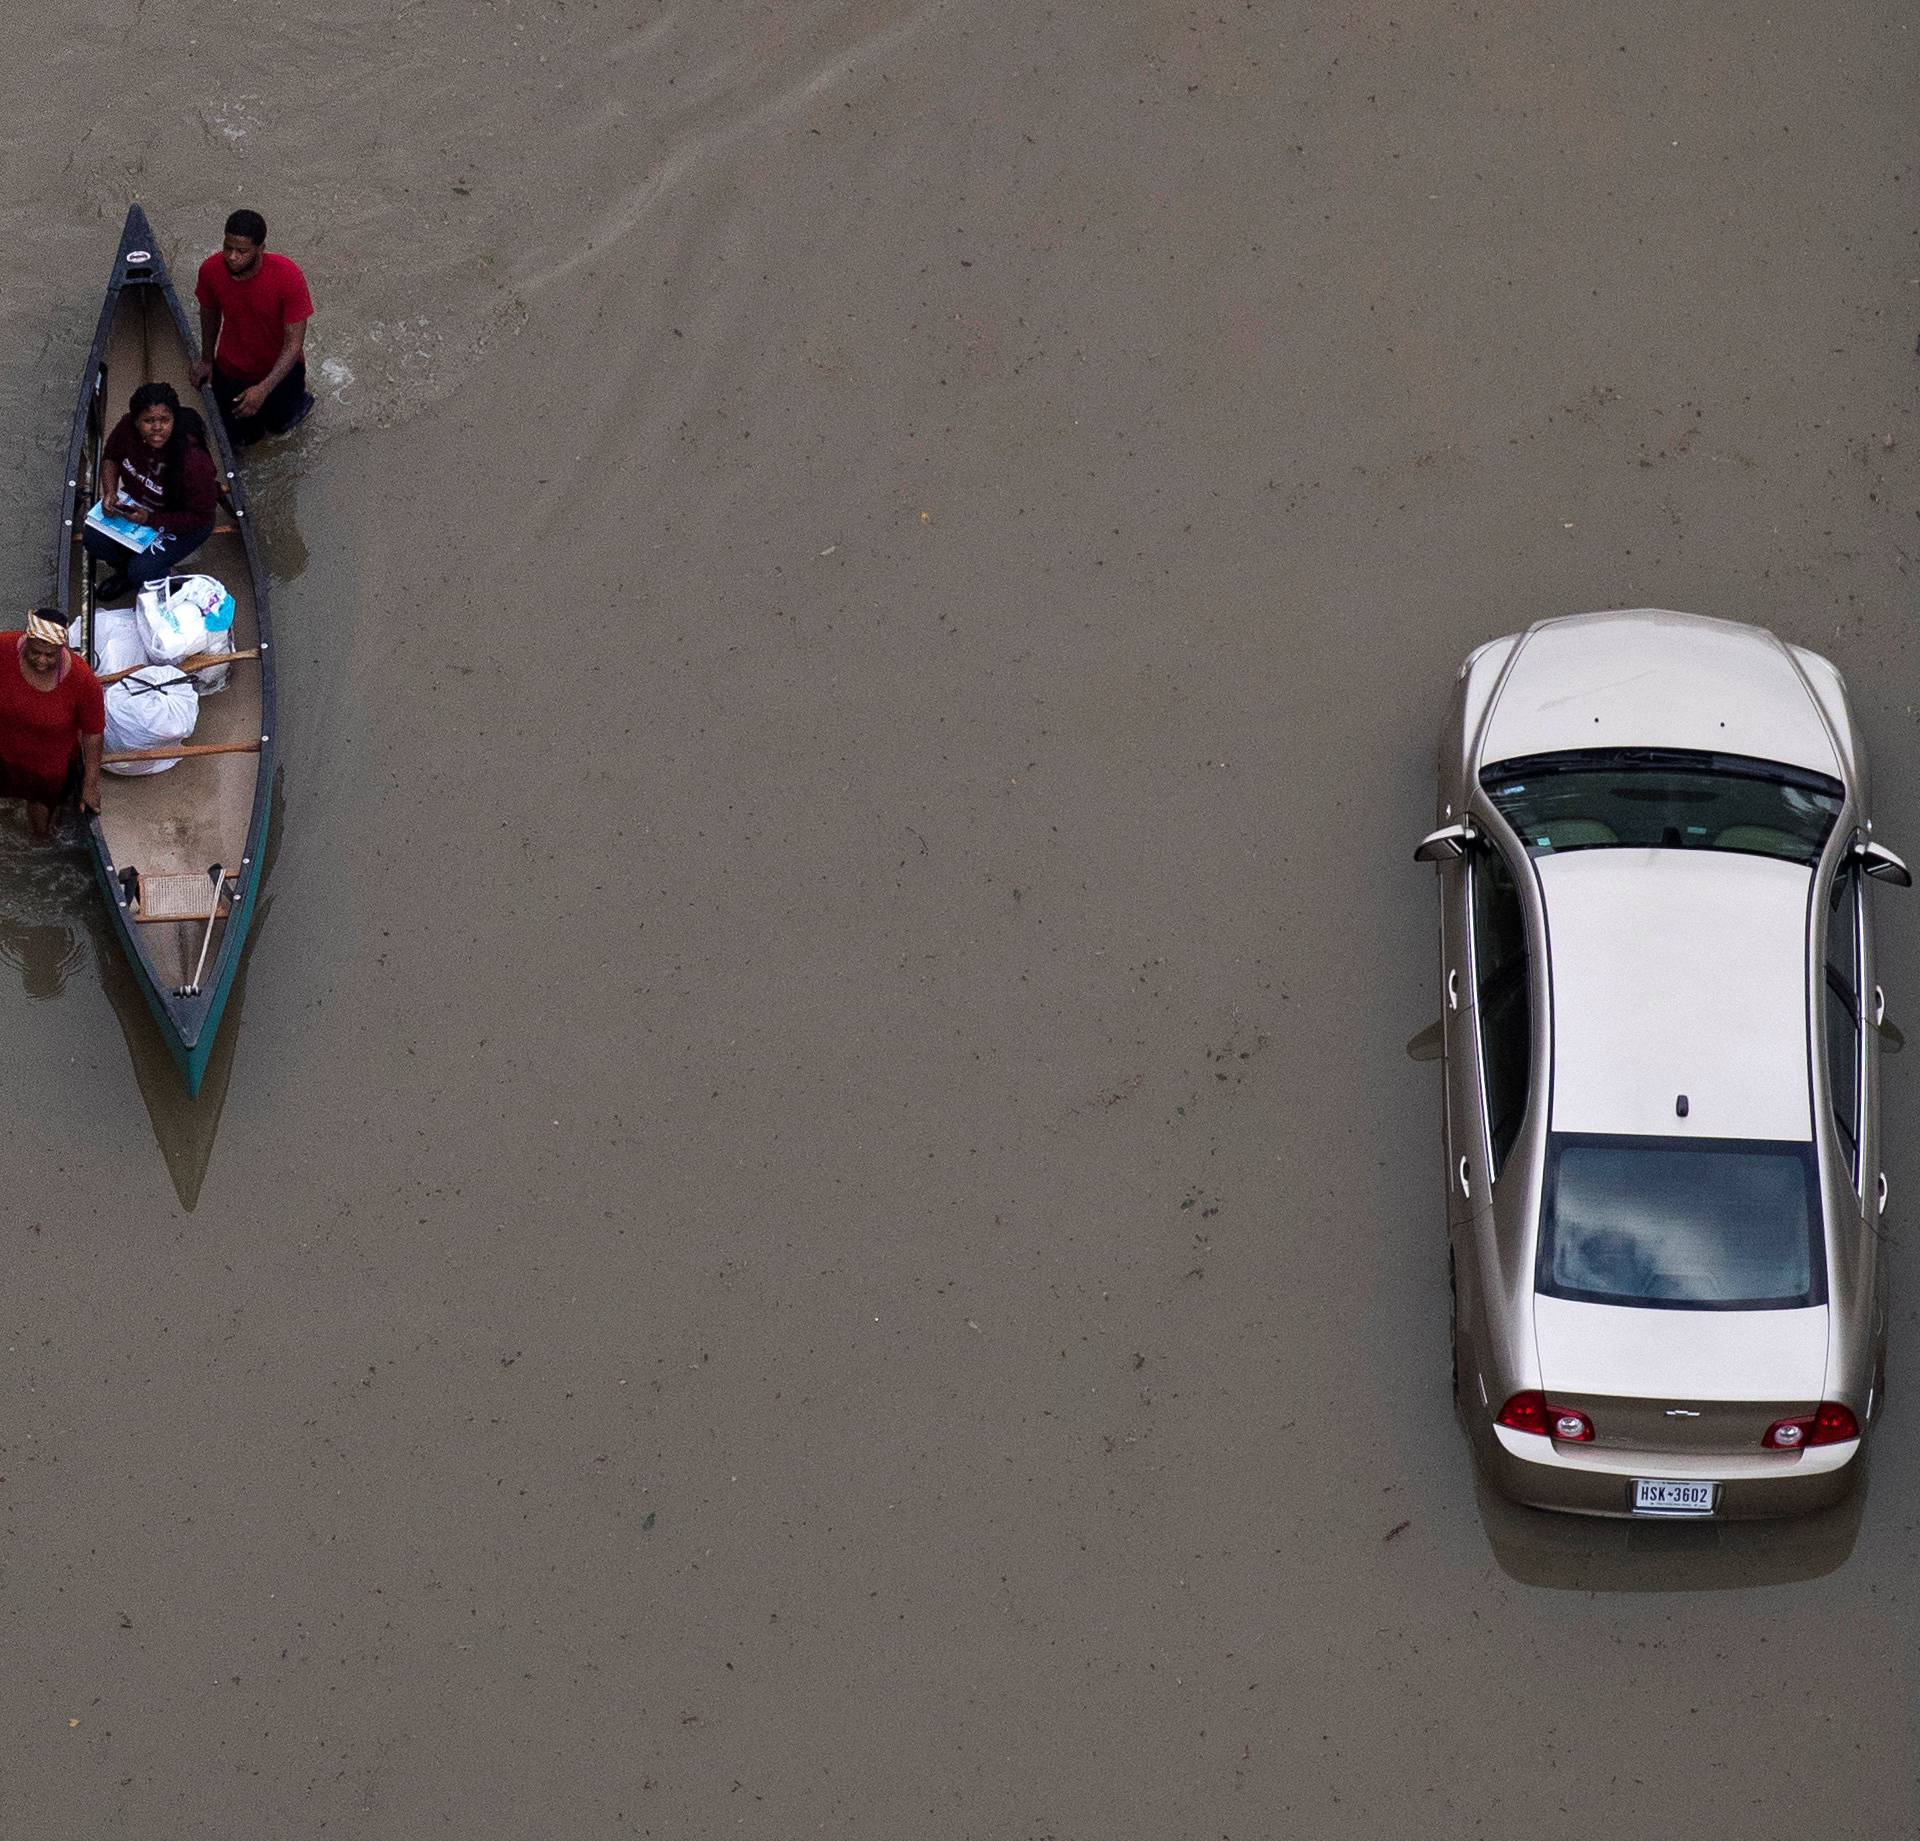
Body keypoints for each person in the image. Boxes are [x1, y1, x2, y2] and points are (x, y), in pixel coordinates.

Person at [83, 382, 219, 602]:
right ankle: (127, 573)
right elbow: (111, 457)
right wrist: (109, 492)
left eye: (164, 420)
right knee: (94, 539)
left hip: (184, 523)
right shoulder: (126, 428)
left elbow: (201, 516)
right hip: (137, 507)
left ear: (174, 420)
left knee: (143, 571)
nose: (157, 428)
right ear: (136, 421)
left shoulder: (194, 461)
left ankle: (167, 583)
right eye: (148, 421)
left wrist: (151, 519)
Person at [189, 208, 314, 446]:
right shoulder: (210, 271)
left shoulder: (289, 277)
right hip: (232, 370)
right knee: (238, 439)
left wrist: (264, 389)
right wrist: (207, 359)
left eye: (241, 251)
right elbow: (209, 312)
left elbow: (294, 344)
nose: (232, 257)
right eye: (228, 248)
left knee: (283, 429)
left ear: (260, 249)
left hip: (280, 373)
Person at [0, 610, 104, 840]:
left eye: (50, 655)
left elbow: (93, 733)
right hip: (5, 753)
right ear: (26, 640)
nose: (41, 661)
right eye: (35, 652)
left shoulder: (83, 680)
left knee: (42, 828)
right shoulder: (4, 648)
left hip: (47, 769)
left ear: (62, 649)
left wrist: (91, 782)